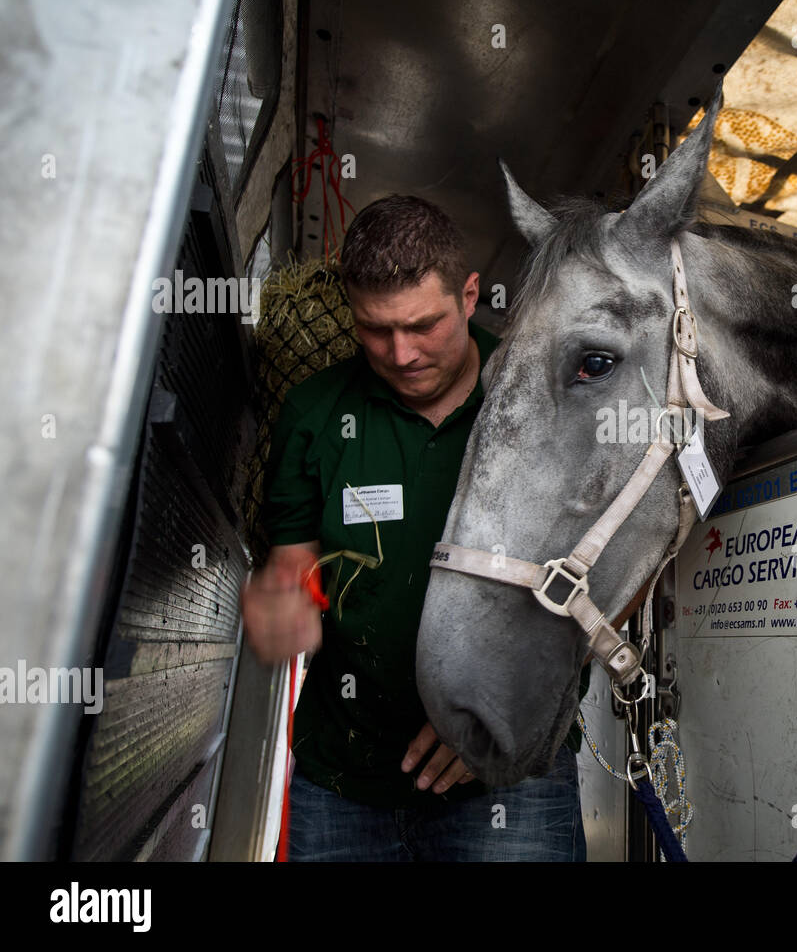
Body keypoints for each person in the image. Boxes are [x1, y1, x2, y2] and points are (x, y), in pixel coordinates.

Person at [240, 195, 588, 861]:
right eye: (375, 329)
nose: (400, 353)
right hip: (345, 782)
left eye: (422, 324)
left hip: (508, 780)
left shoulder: (545, 404)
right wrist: (284, 600)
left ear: (468, 295)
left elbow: (593, 578)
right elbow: (295, 564)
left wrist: (495, 722)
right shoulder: (314, 415)